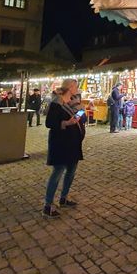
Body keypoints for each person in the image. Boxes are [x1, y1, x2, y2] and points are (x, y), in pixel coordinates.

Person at [43, 79, 85, 217]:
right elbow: (50, 123)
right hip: (61, 142)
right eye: (75, 86)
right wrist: (67, 123)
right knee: (58, 172)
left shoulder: (73, 101)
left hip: (73, 142)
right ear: (69, 87)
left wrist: (80, 112)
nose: (77, 88)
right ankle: (48, 205)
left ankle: (64, 198)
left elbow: (81, 119)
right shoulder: (57, 103)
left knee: (71, 171)